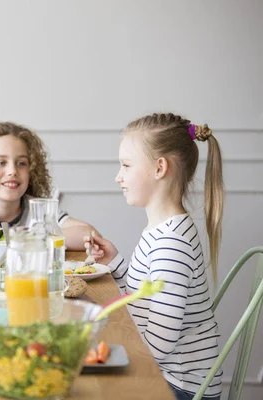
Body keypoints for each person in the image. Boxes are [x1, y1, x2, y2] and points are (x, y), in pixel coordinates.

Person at [86, 113, 223, 400]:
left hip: (176, 387)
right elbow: (146, 299)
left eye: (126, 165)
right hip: (165, 374)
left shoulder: (171, 243)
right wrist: (116, 263)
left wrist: (99, 333)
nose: (118, 176)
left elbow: (157, 347)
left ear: (159, 168)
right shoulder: (163, 229)